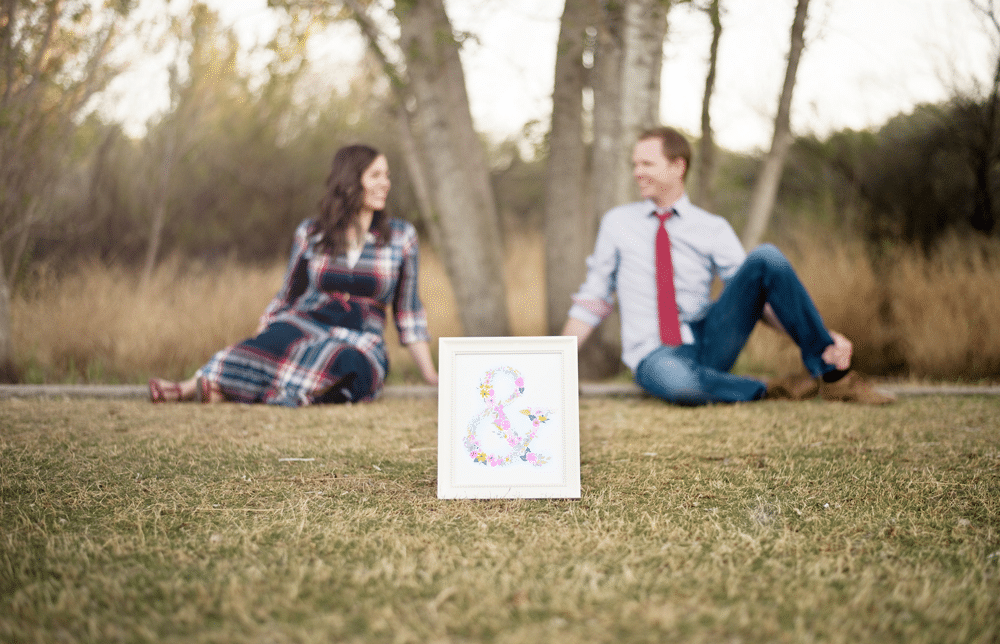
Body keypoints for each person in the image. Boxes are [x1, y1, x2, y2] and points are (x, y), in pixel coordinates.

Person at [560, 126, 894, 405]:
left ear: (677, 167)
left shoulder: (712, 227)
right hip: (654, 354)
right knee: (680, 385)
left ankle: (835, 376)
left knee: (766, 258)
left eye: (646, 164)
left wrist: (824, 334)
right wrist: (559, 363)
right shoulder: (618, 223)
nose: (637, 173)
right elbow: (595, 297)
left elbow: (755, 300)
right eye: (635, 164)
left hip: (711, 339)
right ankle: (769, 387)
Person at [148, 144, 438, 406]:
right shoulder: (311, 233)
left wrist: (430, 375)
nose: (385, 184)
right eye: (376, 175)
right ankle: (189, 387)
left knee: (348, 366)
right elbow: (288, 294)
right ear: (350, 180)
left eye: (387, 176)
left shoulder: (402, 236)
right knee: (262, 349)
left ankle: (235, 391)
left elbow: (408, 312)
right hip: (306, 322)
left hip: (361, 338)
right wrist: (266, 336)